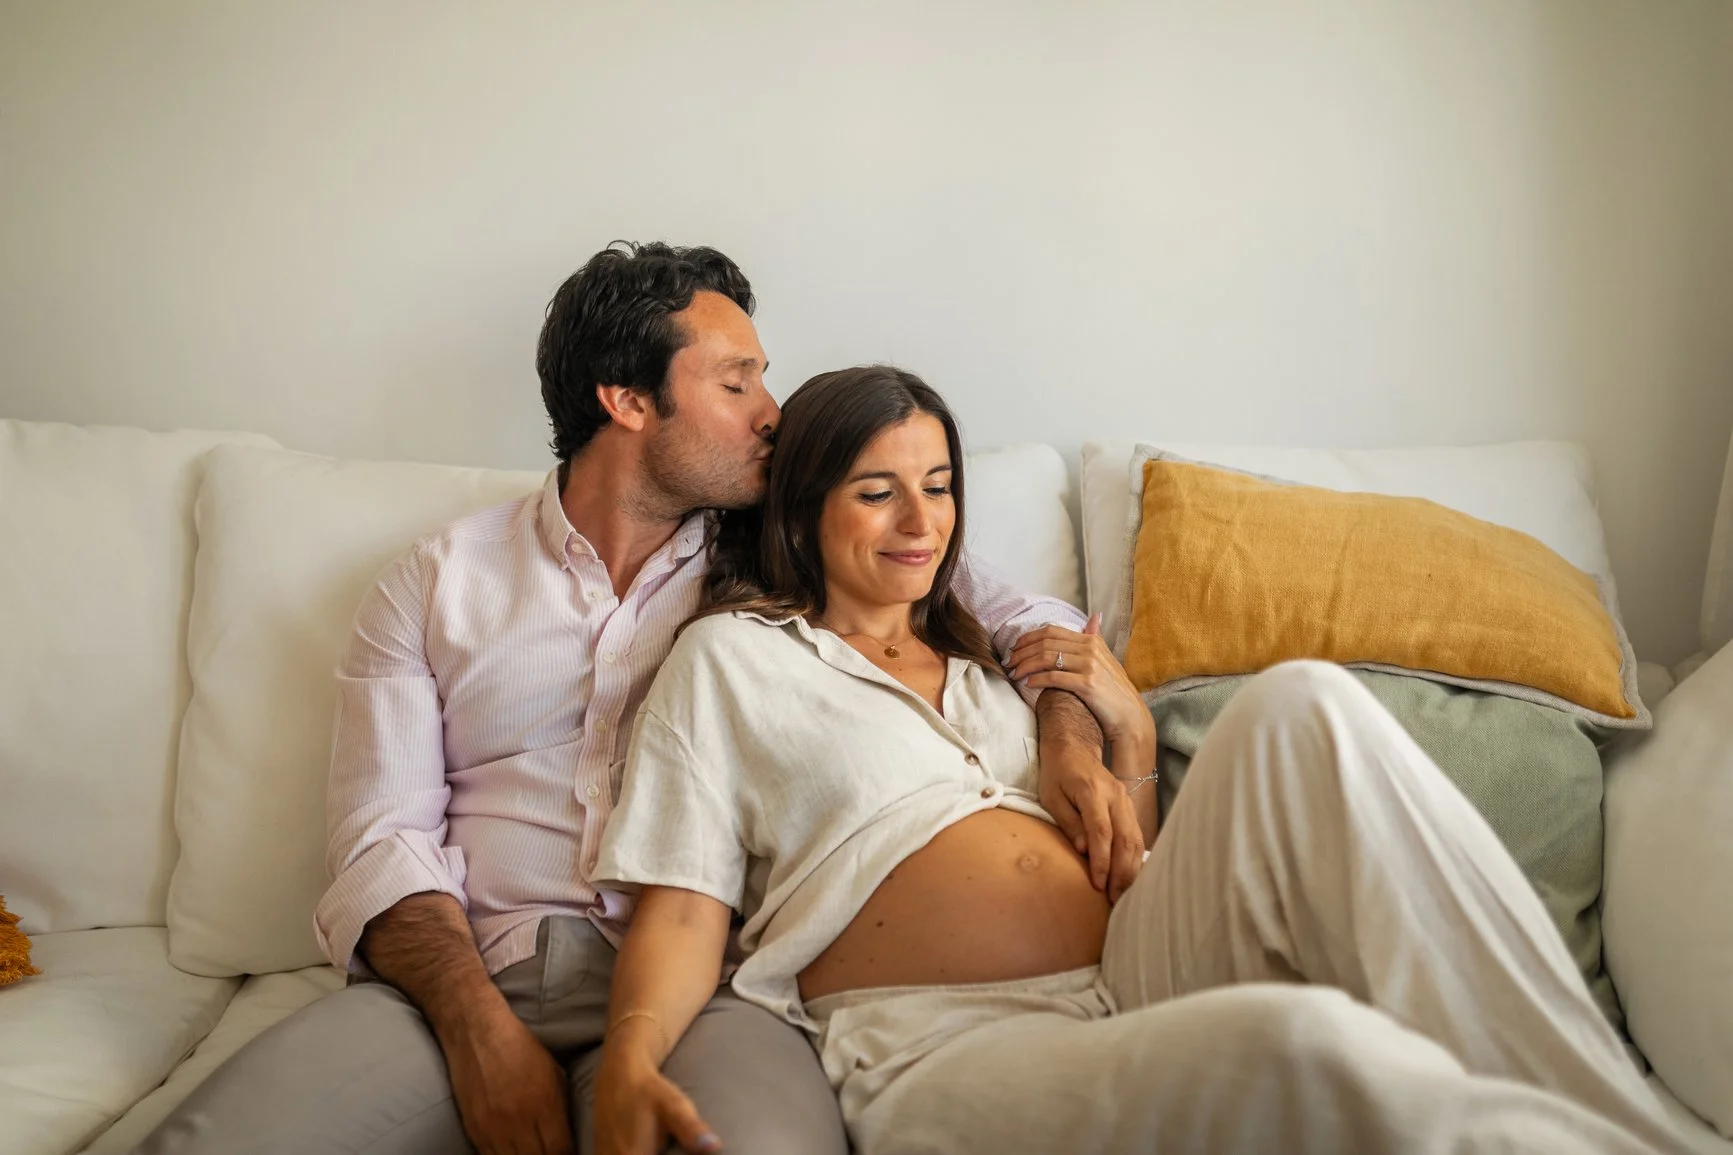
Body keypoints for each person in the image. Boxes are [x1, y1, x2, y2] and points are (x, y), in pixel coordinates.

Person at [135, 244, 1132, 1155]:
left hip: (712, 989)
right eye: (734, 380)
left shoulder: (788, 551)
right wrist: (478, 1030)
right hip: (477, 979)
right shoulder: (433, 584)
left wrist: (1065, 743)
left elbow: (1031, 625)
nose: (769, 410)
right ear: (626, 402)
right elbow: (379, 841)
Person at [588, 365, 1695, 1155]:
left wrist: (1123, 736)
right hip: (940, 1042)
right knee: (1307, 1046)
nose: (917, 521)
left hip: (1130, 971)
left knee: (1301, 701)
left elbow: (1126, 859)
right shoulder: (733, 661)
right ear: (805, 507)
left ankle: (1606, 1117)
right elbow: (684, 908)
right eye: (876, 491)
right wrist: (632, 1058)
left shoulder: (987, 672)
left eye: (936, 486)